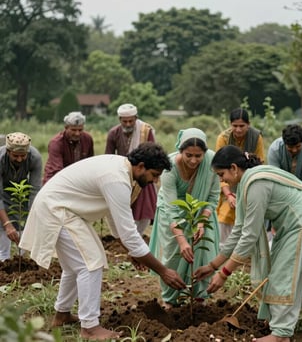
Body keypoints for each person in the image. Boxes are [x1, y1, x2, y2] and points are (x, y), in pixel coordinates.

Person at [19, 142, 186, 341]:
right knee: (90, 264)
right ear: (140, 166)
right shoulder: (117, 179)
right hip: (57, 210)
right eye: (154, 174)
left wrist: (131, 250)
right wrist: (163, 271)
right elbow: (129, 233)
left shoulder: (122, 171)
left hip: (64, 210)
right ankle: (89, 327)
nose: (155, 181)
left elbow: (116, 220)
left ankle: (62, 315)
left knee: (78, 266)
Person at [194, 145, 302, 342]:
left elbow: (250, 235)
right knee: (298, 283)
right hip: (294, 227)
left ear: (234, 168)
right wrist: (213, 266)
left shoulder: (256, 184)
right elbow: (239, 230)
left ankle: (281, 334)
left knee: (283, 278)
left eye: (222, 174)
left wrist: (224, 273)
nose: (222, 181)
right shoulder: (247, 184)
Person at [149, 128, 220, 309]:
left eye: (199, 156)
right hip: (172, 212)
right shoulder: (169, 168)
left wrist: (202, 222)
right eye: (189, 155)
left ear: (205, 153)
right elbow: (173, 209)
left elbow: (213, 197)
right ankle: (170, 299)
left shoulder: (212, 162)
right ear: (180, 151)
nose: (194, 160)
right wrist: (181, 241)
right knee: (173, 255)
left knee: (201, 253)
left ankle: (198, 298)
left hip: (201, 211)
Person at [215, 108, 265, 247]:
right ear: (230, 125)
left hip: (248, 181)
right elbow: (219, 168)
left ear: (248, 124)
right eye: (235, 126)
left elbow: (259, 163)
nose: (238, 130)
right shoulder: (223, 138)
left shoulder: (256, 137)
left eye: (242, 126)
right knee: (225, 215)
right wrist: (229, 194)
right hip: (227, 184)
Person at [105, 103, 156, 236]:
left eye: (131, 121)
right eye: (125, 121)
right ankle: (126, 237)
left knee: (144, 209)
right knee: (123, 209)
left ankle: (137, 236)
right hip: (122, 175)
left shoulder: (146, 131)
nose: (128, 124)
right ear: (119, 120)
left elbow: (152, 153)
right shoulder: (113, 133)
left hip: (142, 175)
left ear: (136, 118)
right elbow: (108, 157)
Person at [0, 132, 42, 261]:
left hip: (22, 194)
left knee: (24, 230)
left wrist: (31, 219)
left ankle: (21, 260)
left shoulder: (35, 157)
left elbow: (34, 190)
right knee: (2, 230)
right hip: (3, 193)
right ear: (8, 151)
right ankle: (3, 260)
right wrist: (7, 224)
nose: (19, 159)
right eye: (15, 156)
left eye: (23, 156)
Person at [43, 111, 94, 184]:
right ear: (66, 128)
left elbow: (90, 164)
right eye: (73, 130)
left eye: (80, 130)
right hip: (55, 180)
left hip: (78, 179)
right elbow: (57, 170)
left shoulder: (88, 139)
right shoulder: (56, 143)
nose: (77, 133)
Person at [267, 124, 302, 195]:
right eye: (290, 147)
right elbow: (276, 178)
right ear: (285, 143)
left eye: (298, 146)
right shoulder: (275, 150)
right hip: (283, 191)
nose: (294, 150)